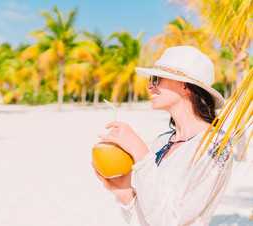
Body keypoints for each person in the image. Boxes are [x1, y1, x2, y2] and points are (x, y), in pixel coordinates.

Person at [94, 46, 233, 225]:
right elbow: (145, 219)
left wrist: (141, 154)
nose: (149, 85)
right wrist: (126, 194)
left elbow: (171, 220)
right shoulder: (162, 141)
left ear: (185, 86)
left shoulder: (215, 146)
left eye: (156, 79)